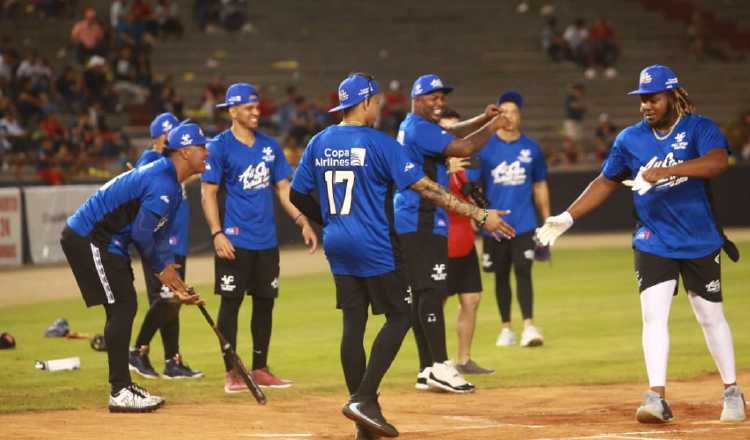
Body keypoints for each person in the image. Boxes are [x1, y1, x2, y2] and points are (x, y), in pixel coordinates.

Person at [290, 73, 514, 440]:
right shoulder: (380, 143)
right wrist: (478, 214)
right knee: (400, 316)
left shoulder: (319, 142)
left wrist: (330, 220)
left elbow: (298, 196)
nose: (379, 107)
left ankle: (363, 422)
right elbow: (426, 188)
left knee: (353, 324)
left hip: (337, 242)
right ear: (364, 103)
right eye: (376, 101)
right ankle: (364, 399)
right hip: (375, 244)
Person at [537, 64, 746, 424]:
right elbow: (606, 181)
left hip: (699, 239)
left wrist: (666, 171)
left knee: (710, 317)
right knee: (653, 316)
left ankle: (732, 391)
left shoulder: (699, 128)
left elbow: (717, 162)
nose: (646, 105)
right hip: (654, 239)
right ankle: (656, 397)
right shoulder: (629, 139)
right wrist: (567, 217)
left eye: (653, 98)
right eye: (642, 99)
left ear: (673, 95)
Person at [60, 122, 207, 412]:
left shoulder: (173, 188)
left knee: (124, 305)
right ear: (186, 152)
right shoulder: (163, 181)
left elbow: (160, 239)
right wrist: (160, 272)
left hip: (108, 242)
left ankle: (123, 387)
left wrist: (176, 284)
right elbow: (141, 235)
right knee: (123, 305)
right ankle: (120, 390)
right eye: (202, 147)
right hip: (89, 236)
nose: (207, 153)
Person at [394, 74, 514, 394]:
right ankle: (440, 366)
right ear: (416, 99)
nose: (439, 101)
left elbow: (451, 132)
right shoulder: (419, 128)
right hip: (422, 218)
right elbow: (461, 146)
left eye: (441, 96)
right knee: (431, 292)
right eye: (432, 97)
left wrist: (482, 118)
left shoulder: (415, 126)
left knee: (423, 294)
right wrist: (493, 126)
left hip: (414, 218)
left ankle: (427, 369)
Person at [201, 82, 318, 393]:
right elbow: (208, 192)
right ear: (233, 110)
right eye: (249, 108)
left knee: (265, 303)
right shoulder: (219, 147)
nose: (256, 112)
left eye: (257, 107)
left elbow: (283, 189)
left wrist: (302, 220)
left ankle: (260, 367)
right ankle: (232, 373)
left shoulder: (269, 146)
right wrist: (216, 233)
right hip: (235, 240)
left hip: (266, 240)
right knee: (231, 304)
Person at [128, 113, 202, 380]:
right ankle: (138, 351)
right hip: (160, 244)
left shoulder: (170, 165)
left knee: (173, 301)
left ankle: (173, 361)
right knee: (166, 299)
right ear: (161, 137)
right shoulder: (151, 160)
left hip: (176, 242)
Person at [479, 91, 550, 348]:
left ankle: (529, 326)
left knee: (523, 272)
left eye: (513, 112)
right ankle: (506, 328)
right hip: (495, 226)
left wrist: (547, 221)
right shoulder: (485, 148)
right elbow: (475, 188)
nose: (508, 117)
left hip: (524, 222)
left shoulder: (531, 148)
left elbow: (539, 185)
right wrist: (481, 218)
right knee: (500, 276)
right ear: (496, 115)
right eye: (503, 112)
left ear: (520, 116)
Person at [439, 108, 494, 375]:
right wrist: (445, 171)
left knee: (471, 299)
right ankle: (436, 361)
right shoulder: (433, 168)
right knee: (436, 302)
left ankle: (463, 359)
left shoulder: (463, 170)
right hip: (440, 242)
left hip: (464, 242)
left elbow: (470, 202)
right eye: (447, 131)